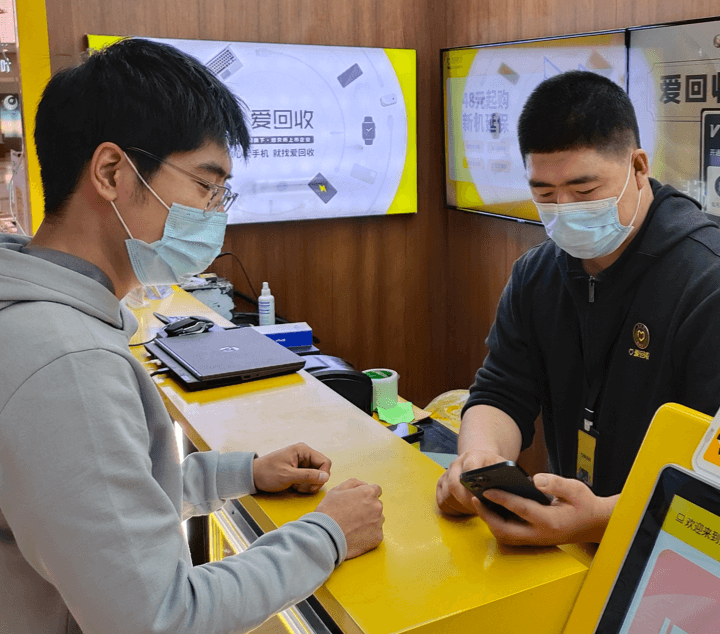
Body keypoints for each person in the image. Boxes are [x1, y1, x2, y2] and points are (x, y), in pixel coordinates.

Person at [0, 38, 384, 634]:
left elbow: (99, 502)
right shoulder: (67, 363)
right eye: (207, 187)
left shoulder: (41, 319)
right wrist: (329, 534)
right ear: (111, 173)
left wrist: (241, 474)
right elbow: (162, 617)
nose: (215, 212)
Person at [436, 70, 720, 546]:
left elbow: (710, 471)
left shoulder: (706, 281)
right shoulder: (537, 274)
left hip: (678, 553)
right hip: (568, 545)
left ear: (638, 167)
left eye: (584, 192)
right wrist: (478, 461)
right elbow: (501, 392)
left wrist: (606, 518)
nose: (565, 209)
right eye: (545, 195)